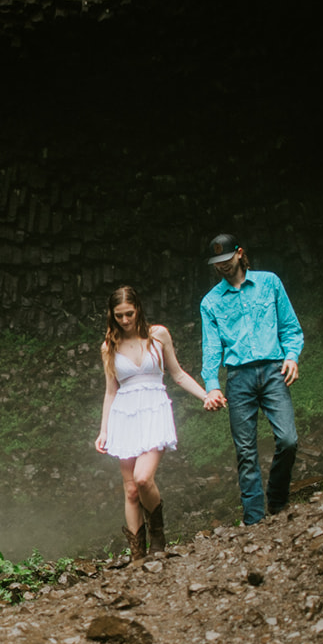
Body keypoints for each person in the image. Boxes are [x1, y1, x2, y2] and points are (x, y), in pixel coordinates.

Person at [96, 285, 212, 561]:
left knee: (143, 478)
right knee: (131, 489)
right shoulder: (108, 347)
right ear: (112, 316)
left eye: (129, 314)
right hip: (124, 416)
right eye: (119, 316)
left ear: (138, 309)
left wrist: (205, 395)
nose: (125, 321)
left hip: (154, 411)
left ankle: (157, 537)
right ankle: (138, 555)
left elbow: (178, 374)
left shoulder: (158, 336)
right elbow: (111, 391)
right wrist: (103, 431)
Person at [199, 233, 304, 525]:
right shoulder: (210, 303)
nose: (222, 266)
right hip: (239, 378)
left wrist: (292, 356)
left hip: (273, 370)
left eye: (226, 259)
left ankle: (278, 499)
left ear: (239, 253)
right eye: (217, 262)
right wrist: (212, 386)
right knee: (246, 452)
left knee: (288, 440)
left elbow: (290, 328)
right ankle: (254, 520)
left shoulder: (269, 283)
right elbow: (211, 348)